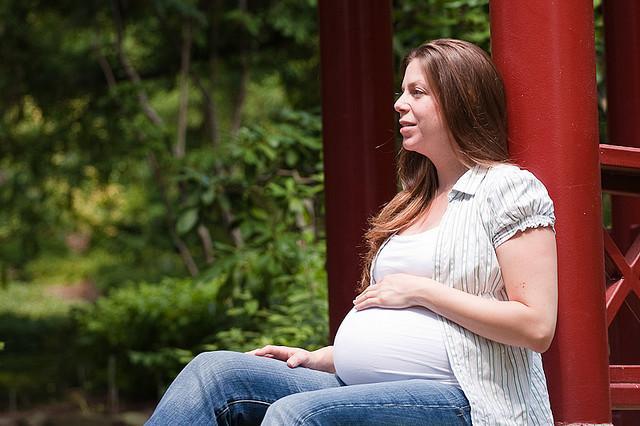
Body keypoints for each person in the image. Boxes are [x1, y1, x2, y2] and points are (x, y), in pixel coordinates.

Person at [145, 38, 557, 425]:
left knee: (295, 416)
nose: (399, 104)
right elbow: (399, 331)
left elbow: (536, 326)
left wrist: (421, 291)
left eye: (417, 92)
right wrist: (325, 357)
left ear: (460, 100)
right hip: (366, 387)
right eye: (402, 92)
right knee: (214, 373)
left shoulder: (506, 188)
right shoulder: (413, 200)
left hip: (470, 399)